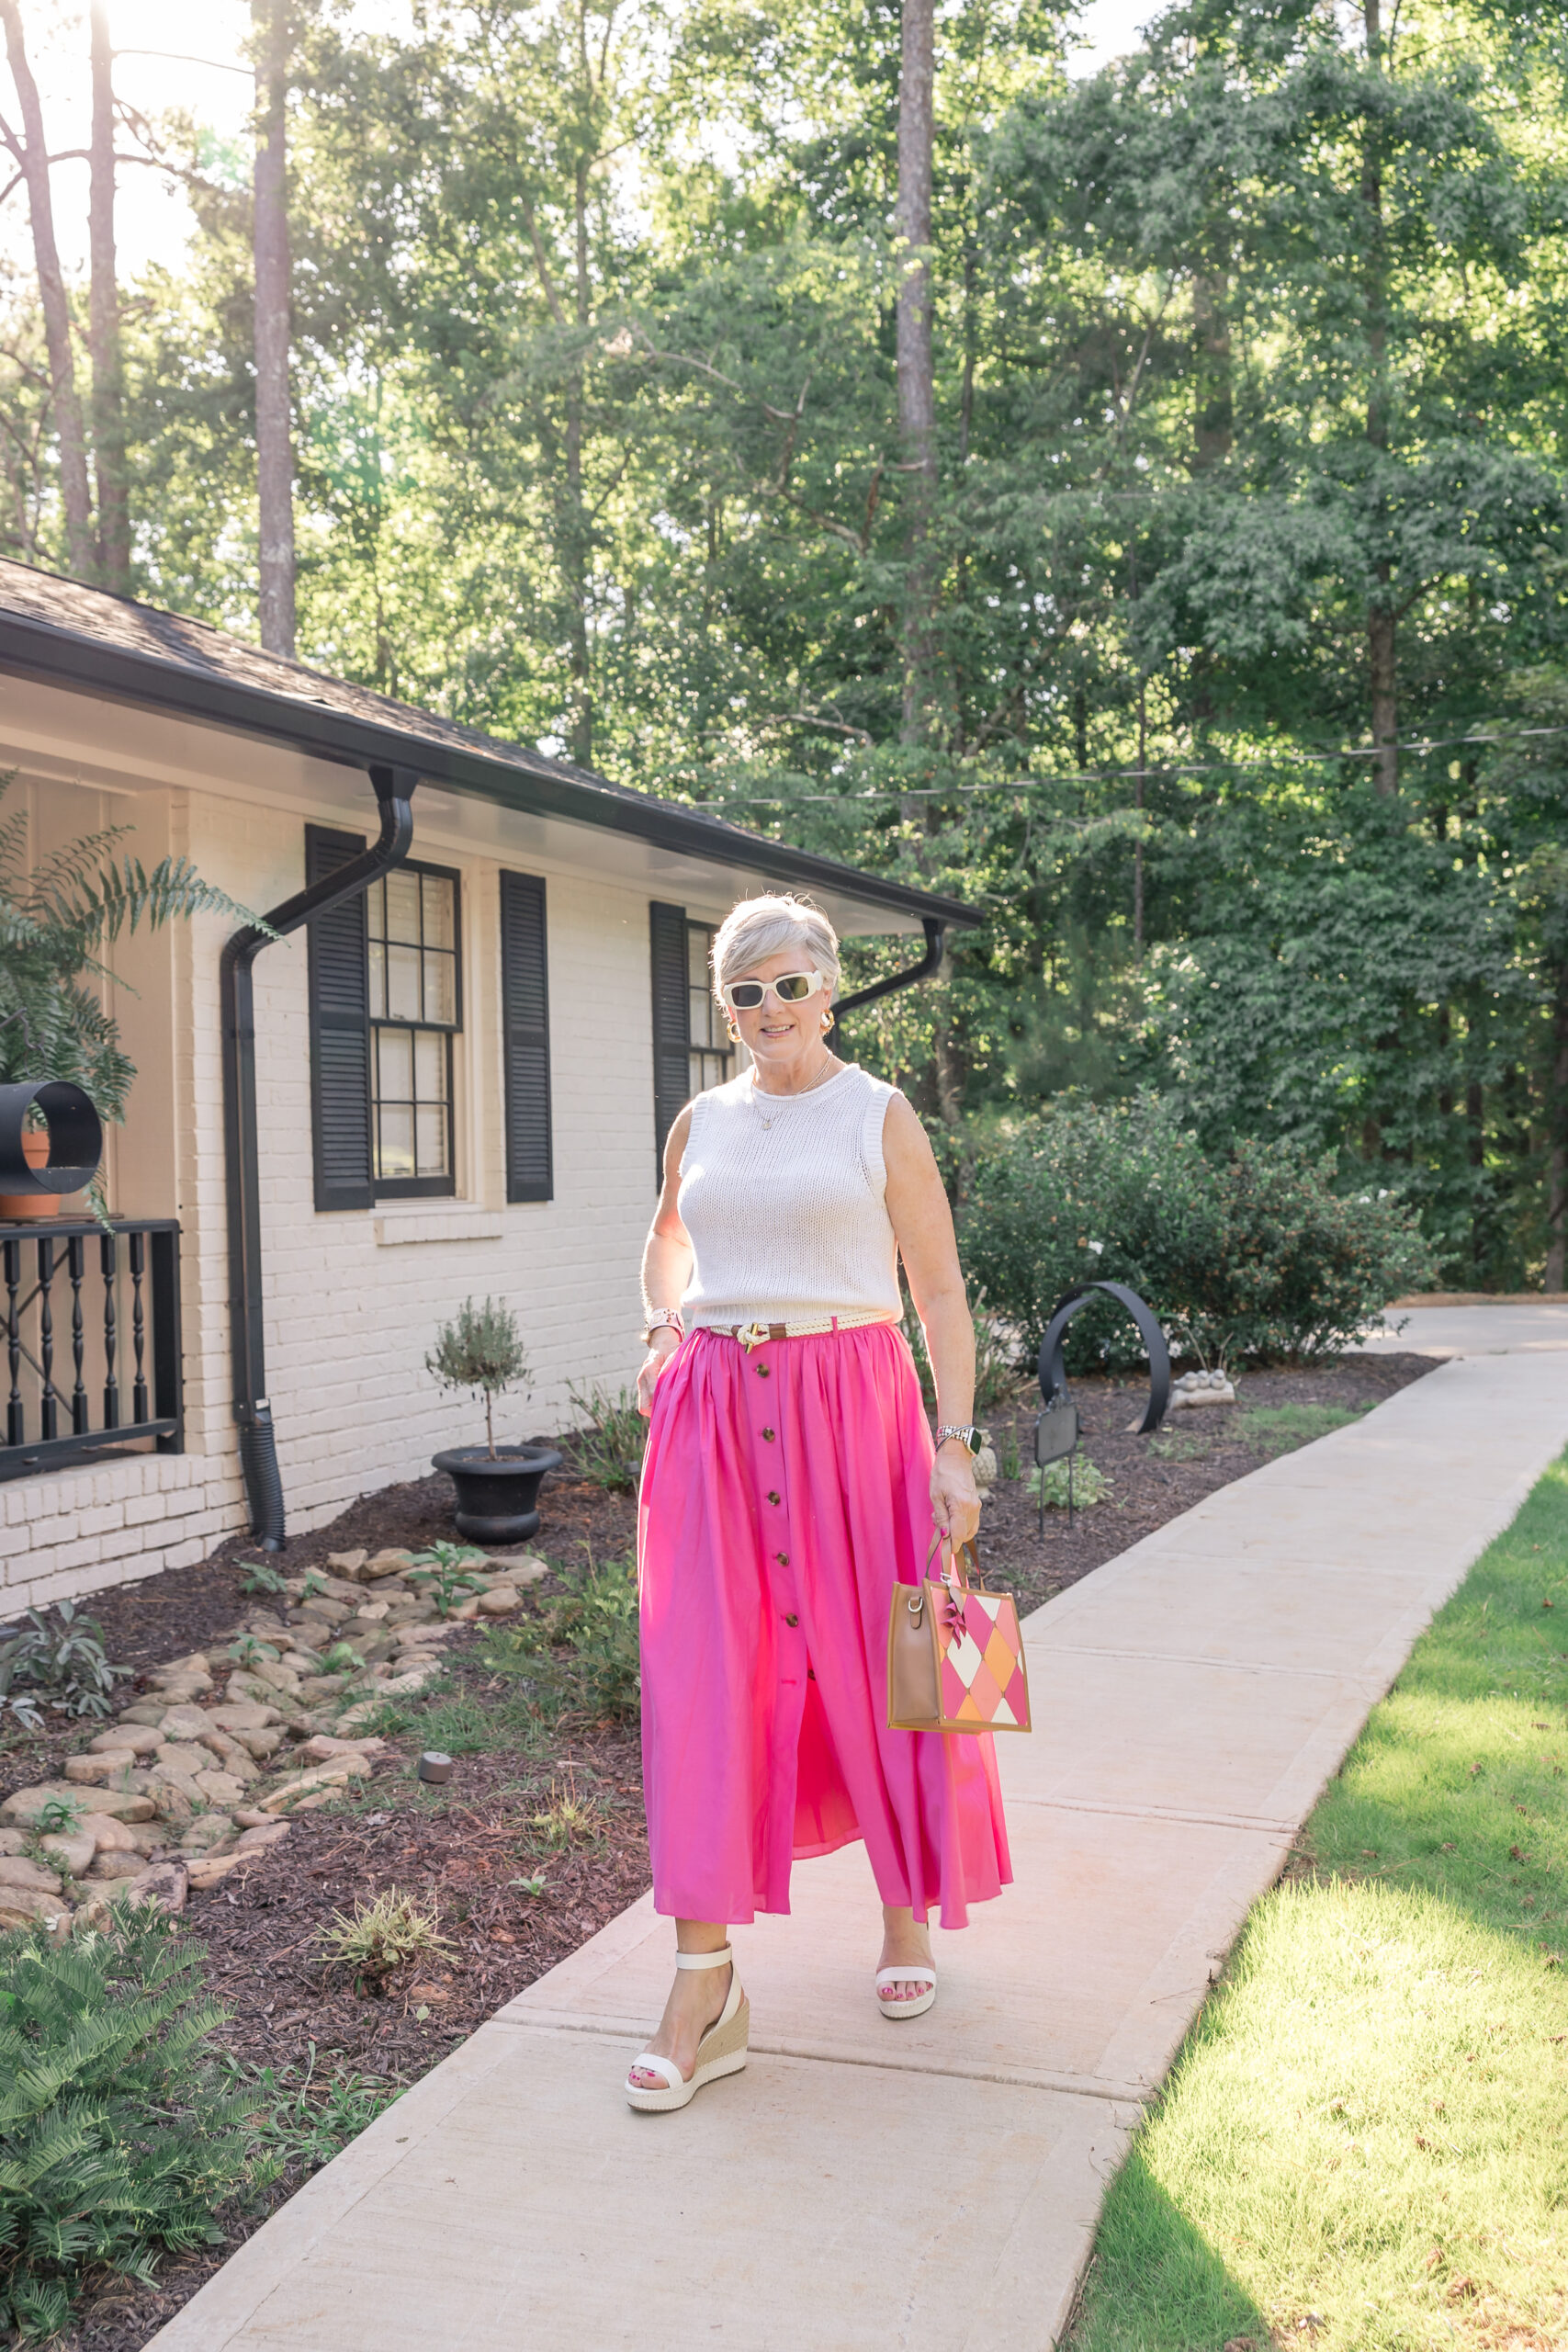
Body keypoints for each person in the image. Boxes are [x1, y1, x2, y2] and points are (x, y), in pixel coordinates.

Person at [625, 891, 1011, 2113]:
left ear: (829, 989)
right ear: (725, 1007)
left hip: (858, 1405)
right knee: (701, 1674)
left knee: (891, 1658)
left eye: (790, 985)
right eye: (746, 992)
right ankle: (703, 1987)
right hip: (714, 1419)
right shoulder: (703, 1122)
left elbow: (940, 1295)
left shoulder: (877, 1116)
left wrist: (956, 1446)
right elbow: (669, 1247)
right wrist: (658, 1330)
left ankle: (908, 1918)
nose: (769, 1010)